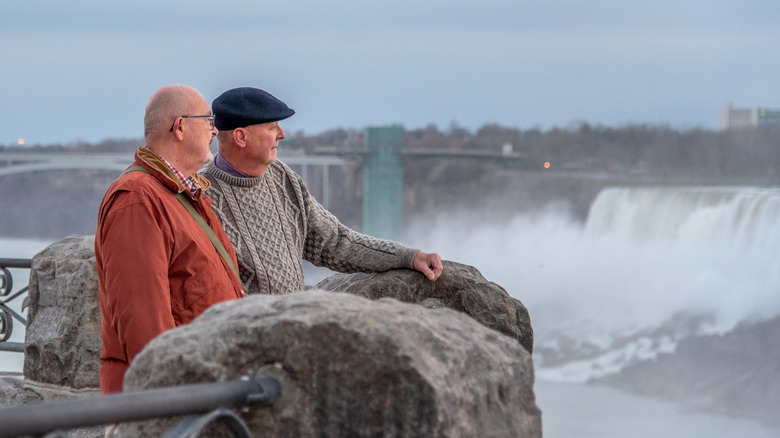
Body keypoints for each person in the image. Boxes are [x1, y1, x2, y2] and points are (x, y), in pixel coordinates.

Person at [200, 87, 443, 295]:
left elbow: (336, 242)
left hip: (291, 334)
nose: (282, 135)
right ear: (241, 137)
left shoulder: (283, 177)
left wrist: (409, 257)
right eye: (272, 127)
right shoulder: (200, 195)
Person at [95, 85, 245, 394]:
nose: (215, 131)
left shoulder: (181, 195)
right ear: (179, 127)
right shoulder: (137, 200)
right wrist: (172, 407)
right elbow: (145, 328)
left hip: (199, 395)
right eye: (208, 120)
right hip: (167, 405)